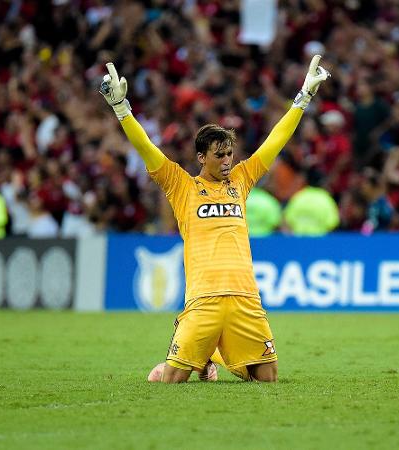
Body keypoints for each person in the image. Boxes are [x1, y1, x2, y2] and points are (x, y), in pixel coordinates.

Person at [100, 56, 330, 383]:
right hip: (202, 299)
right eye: (219, 154)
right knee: (167, 381)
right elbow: (146, 147)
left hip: (245, 297)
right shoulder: (181, 185)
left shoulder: (242, 179)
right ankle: (199, 354)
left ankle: (214, 356)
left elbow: (275, 140)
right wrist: (122, 108)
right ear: (201, 157)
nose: (226, 160)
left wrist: (303, 97)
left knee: (267, 377)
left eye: (229, 154)